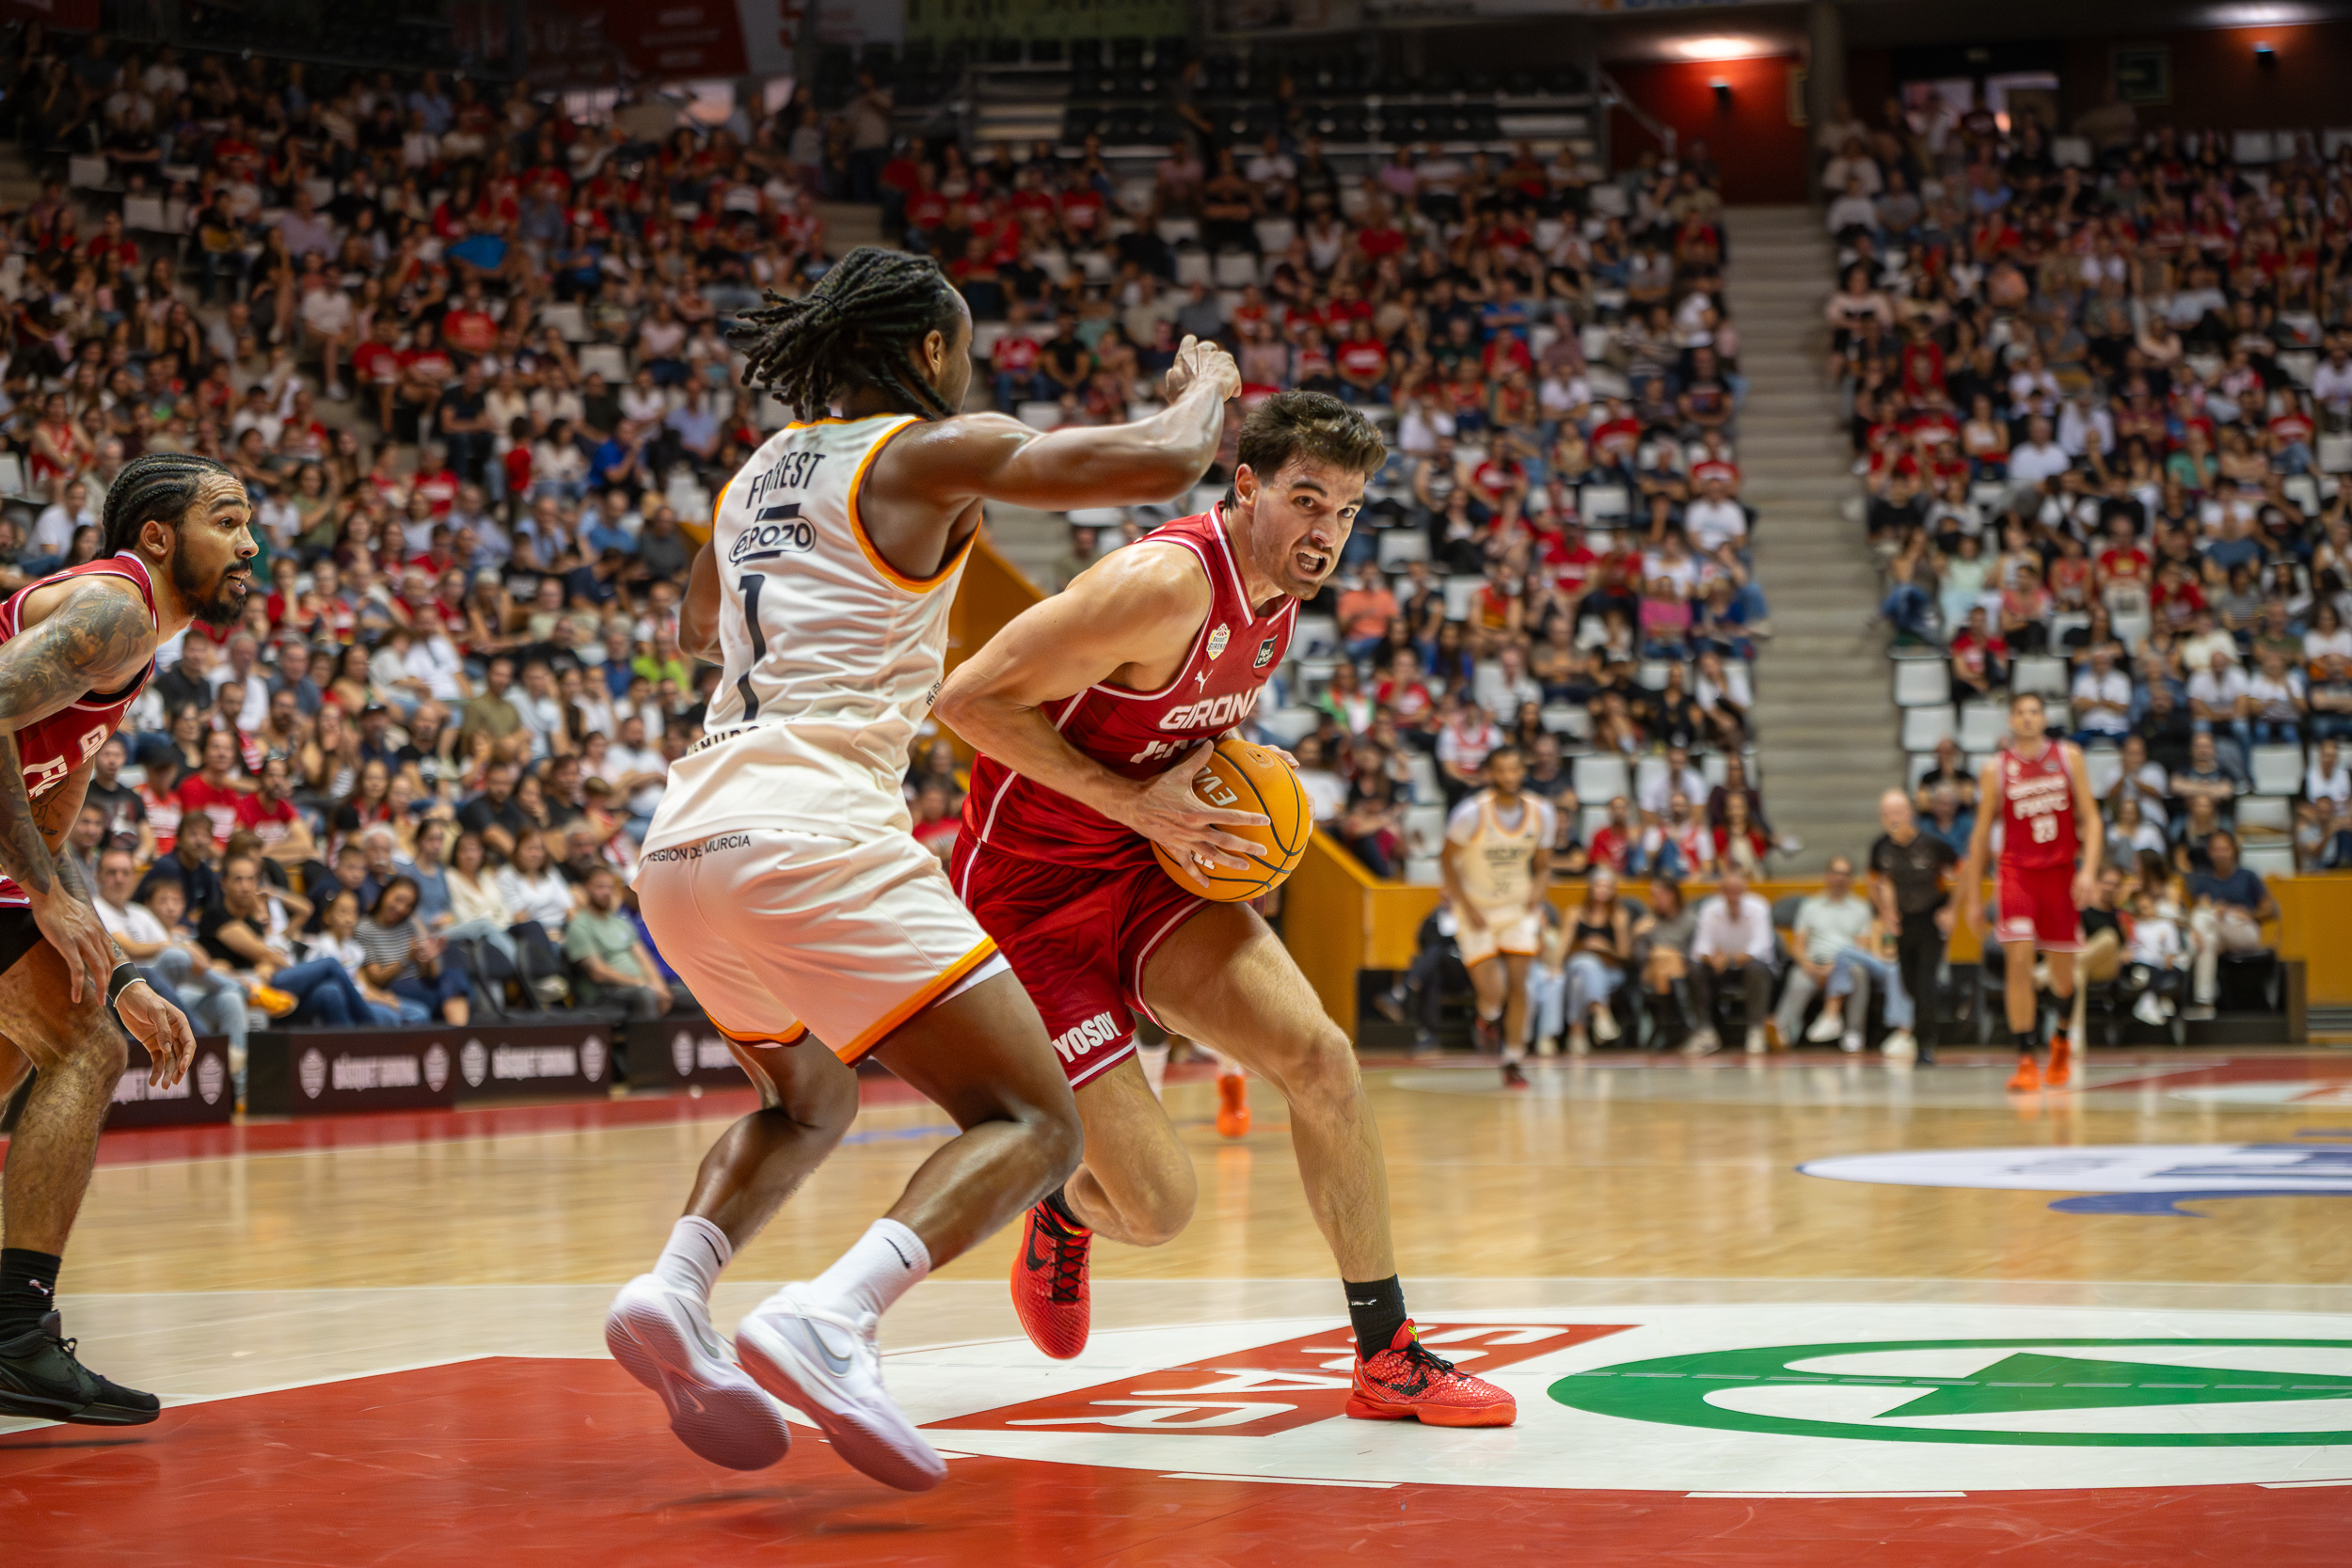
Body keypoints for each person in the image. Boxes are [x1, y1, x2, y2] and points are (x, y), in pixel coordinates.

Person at [610, 247, 1243, 1489]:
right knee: (1033, 1122)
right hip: (815, 826)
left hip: (685, 836)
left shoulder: (752, 475)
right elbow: (1163, 462)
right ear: (929, 351)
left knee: (807, 1100)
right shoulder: (923, 449)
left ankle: (676, 1284)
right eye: (963, 346)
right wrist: (1205, 382)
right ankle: (831, 1315)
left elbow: (698, 618)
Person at [937, 388, 1516, 1424]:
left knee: (1323, 1058)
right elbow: (967, 700)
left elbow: (1161, 726)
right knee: (1157, 1209)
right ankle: (1063, 1208)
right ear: (1245, 487)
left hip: (1149, 869)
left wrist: (1232, 766)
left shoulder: (1283, 594)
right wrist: (1131, 800)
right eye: (1305, 500)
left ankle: (1386, 1354)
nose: (1324, 532)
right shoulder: (1158, 584)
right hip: (1028, 902)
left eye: (1346, 511)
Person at [0, 453, 241, 1427]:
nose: (250, 543)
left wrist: (122, 968)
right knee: (82, 1046)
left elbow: (47, 851)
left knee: (36, 1038)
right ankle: (16, 1333)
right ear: (157, 535)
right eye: (227, 519)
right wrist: (52, 912)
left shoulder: (129, 653)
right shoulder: (117, 611)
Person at [1959, 691, 2104, 1091]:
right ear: (2010, 720)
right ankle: (2024, 1059)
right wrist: (1974, 897)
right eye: (2020, 712)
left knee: (2062, 977)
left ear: (2044, 718)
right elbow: (1979, 836)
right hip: (2017, 874)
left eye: (2034, 711)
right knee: (2018, 960)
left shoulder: (2069, 757)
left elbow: (2091, 820)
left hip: (2059, 874)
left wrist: (2088, 871)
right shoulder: (1997, 769)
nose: (2027, 718)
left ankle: (2058, 1040)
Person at [1434, 744, 1555, 1086]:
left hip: (1517, 909)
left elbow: (1544, 866)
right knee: (1494, 993)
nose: (1509, 776)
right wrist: (1467, 907)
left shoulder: (1541, 812)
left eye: (1514, 769)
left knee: (1520, 985)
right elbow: (1445, 860)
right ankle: (1486, 1017)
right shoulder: (1470, 813)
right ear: (1490, 774)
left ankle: (1513, 1059)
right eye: (1501, 770)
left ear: (1523, 771)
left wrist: (1538, 892)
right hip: (1477, 910)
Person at [1776, 854, 1874, 1049]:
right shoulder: (1810, 906)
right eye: (1836, 873)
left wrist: (1835, 968)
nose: (1840, 878)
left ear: (1851, 879)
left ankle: (1854, 1032)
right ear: (1827, 876)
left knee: (1860, 974)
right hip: (1813, 963)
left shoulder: (1861, 909)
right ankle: (1782, 1030)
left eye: (1845, 874)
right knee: (1798, 978)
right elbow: (1798, 944)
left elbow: (1863, 947)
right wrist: (1807, 964)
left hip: (1846, 965)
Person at [1684, 866, 1776, 1054]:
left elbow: (1761, 946)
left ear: (1745, 891)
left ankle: (1756, 1031)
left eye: (1738, 891)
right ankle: (1705, 1032)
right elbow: (1700, 947)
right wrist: (1712, 958)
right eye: (1729, 891)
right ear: (1721, 892)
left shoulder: (1759, 907)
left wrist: (1731, 958)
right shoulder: (1709, 909)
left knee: (1756, 967)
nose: (1733, 896)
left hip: (1750, 967)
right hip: (1719, 969)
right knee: (1695, 969)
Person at [2185, 829, 2277, 1016]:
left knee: (2205, 917)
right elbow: (2203, 906)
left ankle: (2184, 954)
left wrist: (2248, 913)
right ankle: (2205, 1003)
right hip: (2216, 932)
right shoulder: (2203, 880)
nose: (2220, 854)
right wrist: (2215, 910)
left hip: (2245, 931)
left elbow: (2270, 909)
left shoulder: (2247, 876)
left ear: (2234, 850)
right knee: (2208, 938)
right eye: (2216, 849)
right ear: (2210, 853)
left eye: (2224, 849)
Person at [564, 865, 675, 1019]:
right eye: (600, 886)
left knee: (690, 995)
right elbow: (598, 973)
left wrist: (660, 987)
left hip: (641, 985)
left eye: (610, 887)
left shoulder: (620, 921)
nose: (606, 892)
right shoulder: (579, 926)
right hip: (609, 991)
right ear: (586, 888)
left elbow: (644, 958)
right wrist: (642, 984)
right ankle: (649, 1043)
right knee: (645, 995)